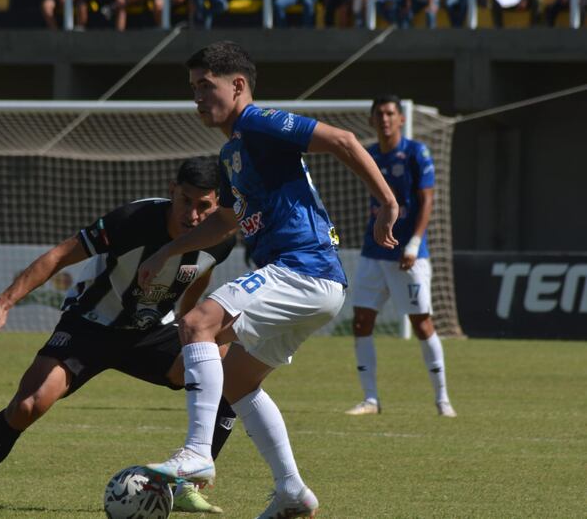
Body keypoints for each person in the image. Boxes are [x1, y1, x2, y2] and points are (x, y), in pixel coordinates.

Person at [137, 41, 399, 518]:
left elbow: (343, 140)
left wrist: (386, 201)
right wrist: (168, 250)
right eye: (193, 88)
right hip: (311, 281)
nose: (197, 98)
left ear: (237, 86)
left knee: (196, 323)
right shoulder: (233, 149)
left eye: (205, 86)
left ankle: (197, 454)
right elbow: (228, 219)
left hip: (304, 268)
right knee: (237, 382)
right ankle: (292, 492)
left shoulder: (257, 121)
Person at [0, 158, 237, 515]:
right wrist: (3, 303)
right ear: (171, 191)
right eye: (185, 201)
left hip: (149, 331)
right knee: (28, 405)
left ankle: (186, 484)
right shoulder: (132, 221)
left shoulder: (220, 238)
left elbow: (200, 273)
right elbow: (59, 255)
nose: (193, 215)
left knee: (232, 375)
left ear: (217, 204)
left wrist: (190, 321)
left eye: (204, 206)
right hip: (91, 325)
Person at [345, 94, 457, 418]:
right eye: (379, 114)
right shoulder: (369, 155)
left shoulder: (415, 152)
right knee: (361, 321)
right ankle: (370, 399)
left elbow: (426, 201)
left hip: (409, 255)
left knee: (421, 324)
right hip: (372, 252)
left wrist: (413, 243)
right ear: (371, 120)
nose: (385, 119)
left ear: (401, 119)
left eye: (390, 113)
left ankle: (442, 400)